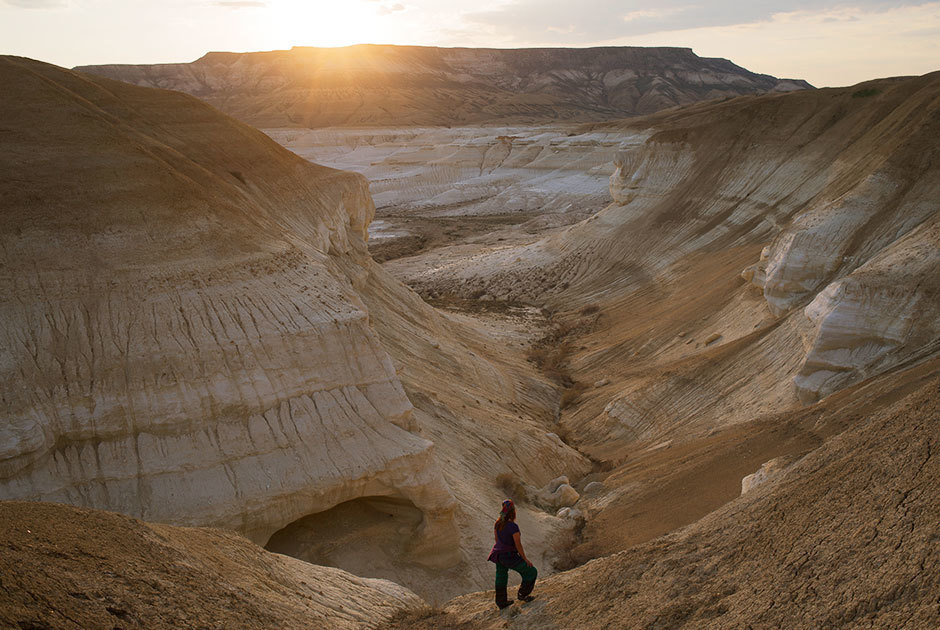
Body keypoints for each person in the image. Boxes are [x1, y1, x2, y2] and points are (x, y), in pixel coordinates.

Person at [486, 499, 537, 609]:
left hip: (498, 555)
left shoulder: (497, 524)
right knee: (531, 571)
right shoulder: (513, 527)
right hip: (509, 556)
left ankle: (501, 602)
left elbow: (496, 540)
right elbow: (518, 545)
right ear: (513, 512)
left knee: (501, 577)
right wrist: (525, 559)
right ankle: (522, 594)